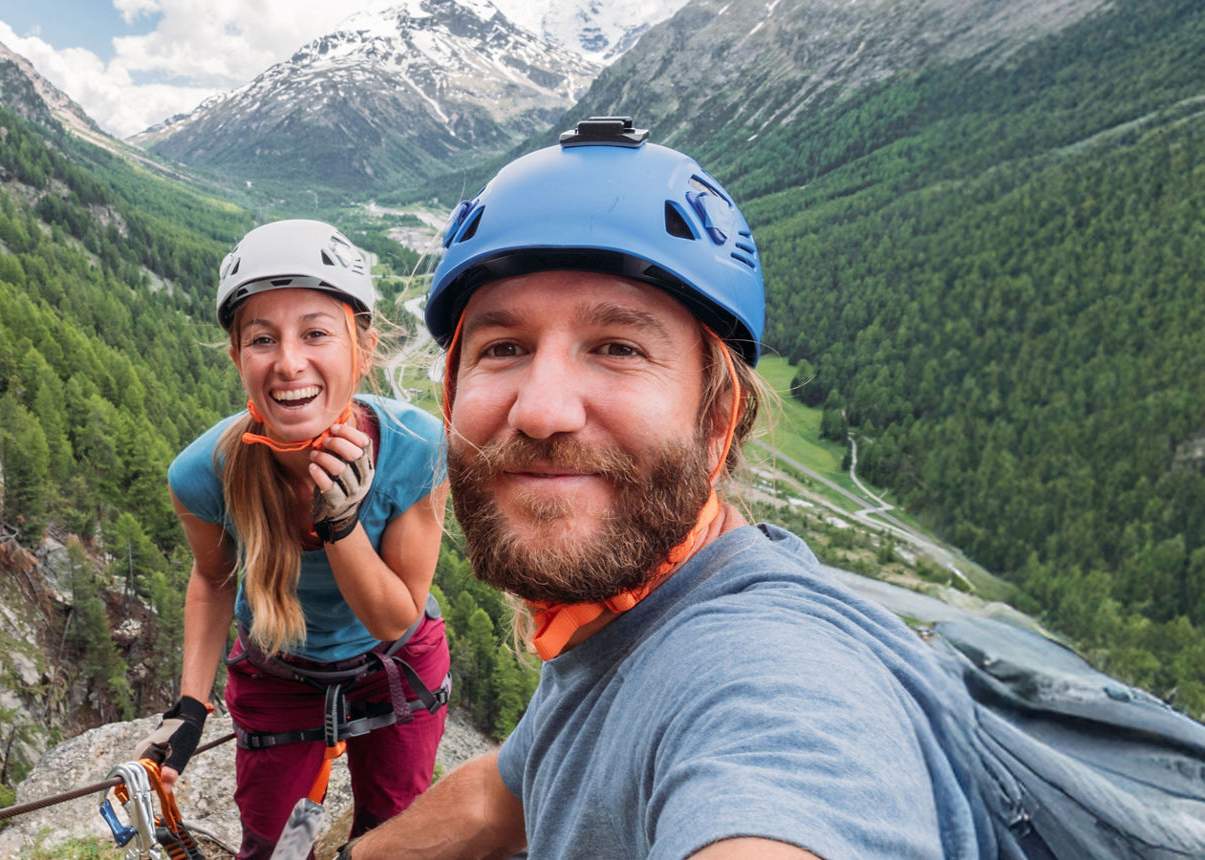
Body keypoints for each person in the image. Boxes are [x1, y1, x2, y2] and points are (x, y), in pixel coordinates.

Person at [331, 117, 1010, 858]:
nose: (543, 410)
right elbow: (506, 791)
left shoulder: (769, 678)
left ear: (718, 421)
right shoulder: (622, 625)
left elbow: (783, 786)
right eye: (503, 348)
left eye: (618, 347)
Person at [135, 219, 450, 860]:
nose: (288, 362)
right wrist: (190, 707)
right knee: (269, 841)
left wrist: (341, 525)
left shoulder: (417, 449)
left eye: (315, 333)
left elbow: (395, 615)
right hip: (279, 669)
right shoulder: (202, 475)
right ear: (237, 358)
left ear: (361, 347)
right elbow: (213, 579)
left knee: (395, 838)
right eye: (262, 339)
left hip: (393, 659)